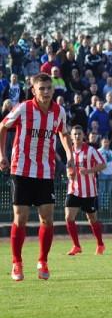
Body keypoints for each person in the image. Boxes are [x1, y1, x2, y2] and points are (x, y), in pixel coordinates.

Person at [0, 72, 74, 281]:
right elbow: (2, 127)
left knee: (47, 219)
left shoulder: (59, 112)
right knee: (20, 218)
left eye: (49, 88)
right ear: (34, 91)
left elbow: (63, 133)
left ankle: (43, 261)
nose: (46, 92)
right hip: (21, 169)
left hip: (46, 171)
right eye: (42, 89)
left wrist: (69, 156)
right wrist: (2, 155)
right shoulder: (24, 109)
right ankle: (17, 263)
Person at [64, 126, 107, 256]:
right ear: (71, 136)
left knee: (92, 218)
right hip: (73, 189)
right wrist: (68, 174)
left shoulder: (91, 150)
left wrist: (88, 171)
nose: (77, 136)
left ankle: (100, 244)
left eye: (79, 134)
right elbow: (69, 167)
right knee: (68, 217)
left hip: (89, 191)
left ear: (83, 135)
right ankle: (76, 246)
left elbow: (103, 164)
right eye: (74, 134)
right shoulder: (69, 151)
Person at [97, 137, 112, 209]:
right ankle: (101, 207)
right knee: (102, 191)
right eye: (104, 142)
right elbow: (96, 162)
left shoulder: (111, 152)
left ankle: (106, 207)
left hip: (110, 174)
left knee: (108, 191)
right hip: (102, 173)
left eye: (107, 142)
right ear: (101, 142)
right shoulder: (98, 151)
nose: (106, 143)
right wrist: (98, 171)